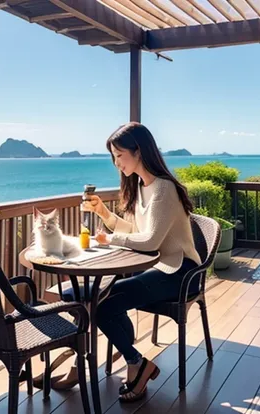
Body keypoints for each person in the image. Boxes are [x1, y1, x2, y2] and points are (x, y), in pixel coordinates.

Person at [79, 121, 203, 402]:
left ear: (139, 151)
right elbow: (136, 231)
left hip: (180, 270)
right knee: (103, 300)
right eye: (113, 156)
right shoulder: (141, 185)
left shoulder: (164, 189)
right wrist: (104, 214)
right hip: (160, 267)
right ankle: (134, 357)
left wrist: (109, 241)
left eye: (119, 155)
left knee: (104, 304)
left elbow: (150, 242)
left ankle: (137, 363)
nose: (116, 162)